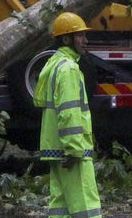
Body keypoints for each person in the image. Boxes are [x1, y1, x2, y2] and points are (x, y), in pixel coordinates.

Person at [34, 12, 100, 218]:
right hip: (71, 152)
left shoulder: (54, 65)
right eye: (79, 36)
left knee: (61, 207)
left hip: (56, 149)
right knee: (86, 208)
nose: (85, 41)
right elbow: (69, 113)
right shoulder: (69, 69)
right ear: (66, 39)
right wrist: (73, 151)